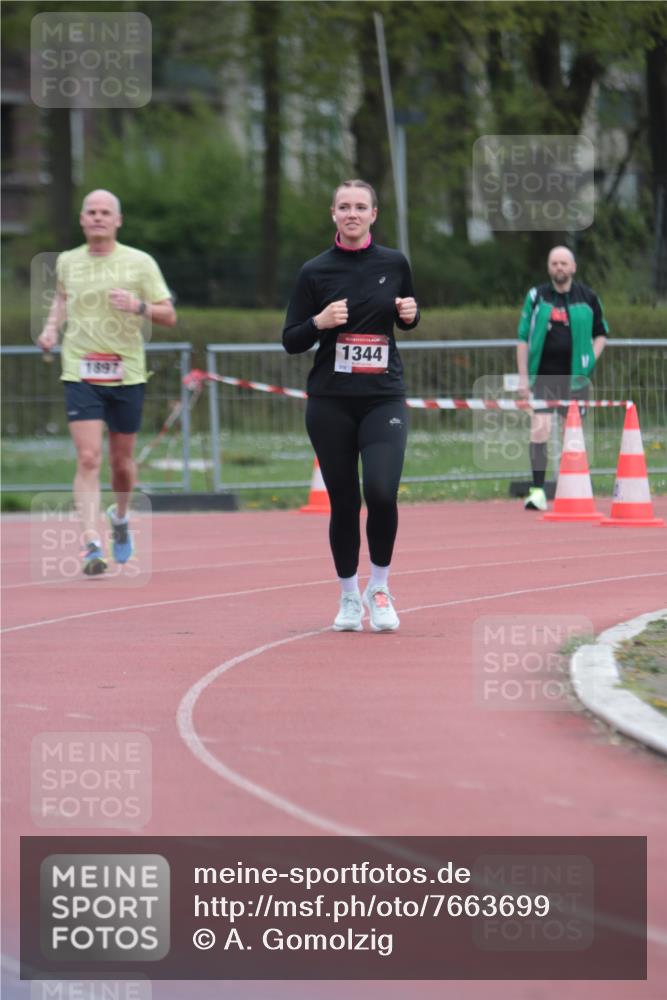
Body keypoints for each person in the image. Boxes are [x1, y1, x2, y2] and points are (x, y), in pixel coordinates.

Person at [283, 179, 419, 632]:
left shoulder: (395, 263)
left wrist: (411, 315)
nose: (353, 213)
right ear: (333, 214)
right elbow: (291, 339)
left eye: (361, 206)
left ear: (374, 214)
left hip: (383, 397)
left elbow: (409, 316)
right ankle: (347, 596)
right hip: (331, 402)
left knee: (381, 492)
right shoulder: (314, 271)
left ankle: (378, 588)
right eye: (344, 206)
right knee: (344, 503)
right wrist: (319, 323)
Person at [37, 189, 176, 575]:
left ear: (118, 220)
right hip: (80, 369)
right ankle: (91, 544)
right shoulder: (67, 261)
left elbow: (169, 314)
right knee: (87, 457)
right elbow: (62, 300)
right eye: (91, 212)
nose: (98, 217)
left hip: (127, 371)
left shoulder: (140, 262)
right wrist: (51, 329)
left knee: (121, 463)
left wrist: (138, 306)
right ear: (82, 219)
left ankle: (120, 516)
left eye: (105, 212)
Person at [517, 245, 608, 511]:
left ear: (573, 267)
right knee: (539, 430)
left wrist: (591, 357)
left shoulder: (588, 297)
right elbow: (523, 338)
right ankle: (537, 492)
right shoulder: (537, 296)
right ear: (549, 267)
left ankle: (575, 492)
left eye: (564, 263)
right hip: (544, 377)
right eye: (554, 263)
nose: (559, 267)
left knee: (574, 436)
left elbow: (602, 332)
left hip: (576, 381)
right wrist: (523, 379)